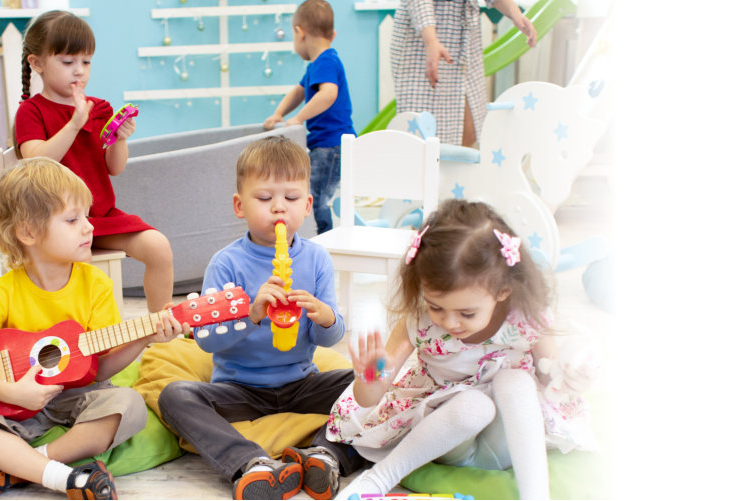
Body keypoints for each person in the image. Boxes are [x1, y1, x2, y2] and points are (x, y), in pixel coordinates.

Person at [0, 158, 187, 500]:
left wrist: (144, 334)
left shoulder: (95, 285)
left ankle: (29, 466)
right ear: (27, 232)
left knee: (128, 404)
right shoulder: (1, 292)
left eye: (86, 216)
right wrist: (11, 393)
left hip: (78, 397)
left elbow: (100, 367)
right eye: (72, 220)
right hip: (13, 401)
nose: (89, 227)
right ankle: (60, 474)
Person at [326, 199, 588, 500]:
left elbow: (551, 376)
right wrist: (368, 380)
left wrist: (569, 374)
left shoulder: (526, 317)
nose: (450, 322)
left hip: (507, 439)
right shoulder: (418, 319)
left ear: (504, 290)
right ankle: (381, 477)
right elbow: (371, 394)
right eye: (436, 306)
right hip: (445, 437)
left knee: (516, 381)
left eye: (467, 313)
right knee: (475, 404)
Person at [158, 137, 367, 500]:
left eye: (290, 198)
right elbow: (206, 340)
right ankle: (250, 465)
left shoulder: (316, 259)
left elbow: (328, 341)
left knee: (371, 381)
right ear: (240, 206)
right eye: (265, 198)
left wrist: (326, 316)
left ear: (308, 204)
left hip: (303, 382)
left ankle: (325, 455)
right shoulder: (227, 263)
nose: (279, 210)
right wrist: (252, 314)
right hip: (239, 389)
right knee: (174, 396)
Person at [12, 10, 175, 315]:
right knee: (81, 268)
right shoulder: (31, 112)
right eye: (67, 62)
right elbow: (34, 162)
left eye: (86, 62)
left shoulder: (99, 108)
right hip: (55, 223)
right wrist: (73, 125)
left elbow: (115, 167)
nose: (79, 71)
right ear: (37, 64)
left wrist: (120, 138)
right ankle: (90, 337)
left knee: (158, 247)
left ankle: (160, 330)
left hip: (100, 216)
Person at [262, 0, 354, 235]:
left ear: (299, 32)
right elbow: (297, 92)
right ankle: (320, 237)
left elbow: (329, 94)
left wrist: (298, 118)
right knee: (314, 193)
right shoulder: (317, 65)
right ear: (332, 34)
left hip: (331, 144)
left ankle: (323, 239)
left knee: (316, 196)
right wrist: (279, 114)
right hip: (327, 145)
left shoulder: (326, 61)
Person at [390, 0, 536, 147]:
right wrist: (431, 40)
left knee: (470, 127)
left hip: (465, 40)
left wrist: (515, 12)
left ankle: (452, 168)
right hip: (424, 39)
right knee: (425, 134)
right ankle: (434, 168)